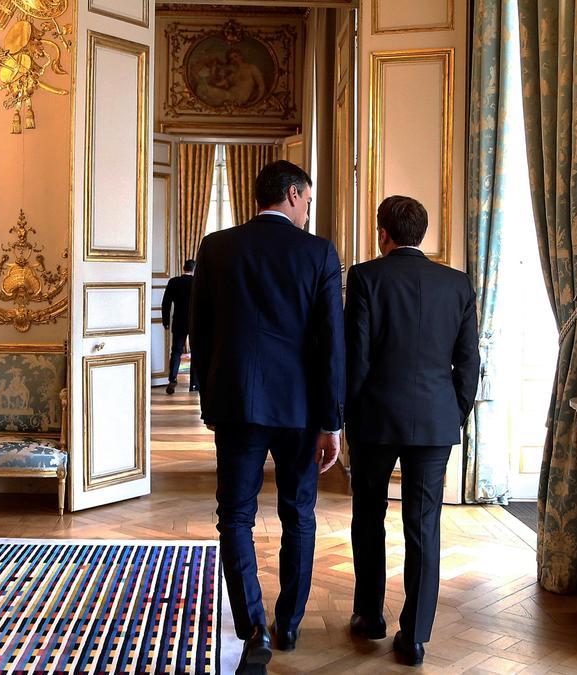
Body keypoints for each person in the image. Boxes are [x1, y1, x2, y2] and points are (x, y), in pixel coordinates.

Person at [190, 160, 344, 674]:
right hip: (300, 409)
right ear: (295, 194)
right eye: (307, 201)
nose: (307, 211)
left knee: (234, 515)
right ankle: (291, 623)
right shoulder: (318, 252)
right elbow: (330, 343)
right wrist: (331, 420)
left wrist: (209, 395)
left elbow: (201, 330)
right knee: (298, 513)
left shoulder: (216, 246)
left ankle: (253, 627)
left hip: (236, 401)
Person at [344, 195, 479, 666]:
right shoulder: (457, 284)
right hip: (436, 421)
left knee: (368, 517)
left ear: (384, 233)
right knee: (423, 525)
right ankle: (416, 635)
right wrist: (453, 412)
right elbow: (468, 363)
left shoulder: (365, 277)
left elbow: (356, 356)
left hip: (375, 419)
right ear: (420, 234)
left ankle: (370, 616)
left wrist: (348, 414)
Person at [161, 259, 197, 395]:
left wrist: (166, 322)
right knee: (196, 352)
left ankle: (173, 379)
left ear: (183, 268)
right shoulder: (198, 282)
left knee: (176, 352)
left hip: (179, 321)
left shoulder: (174, 282)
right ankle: (194, 383)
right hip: (195, 322)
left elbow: (166, 303)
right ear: (194, 269)